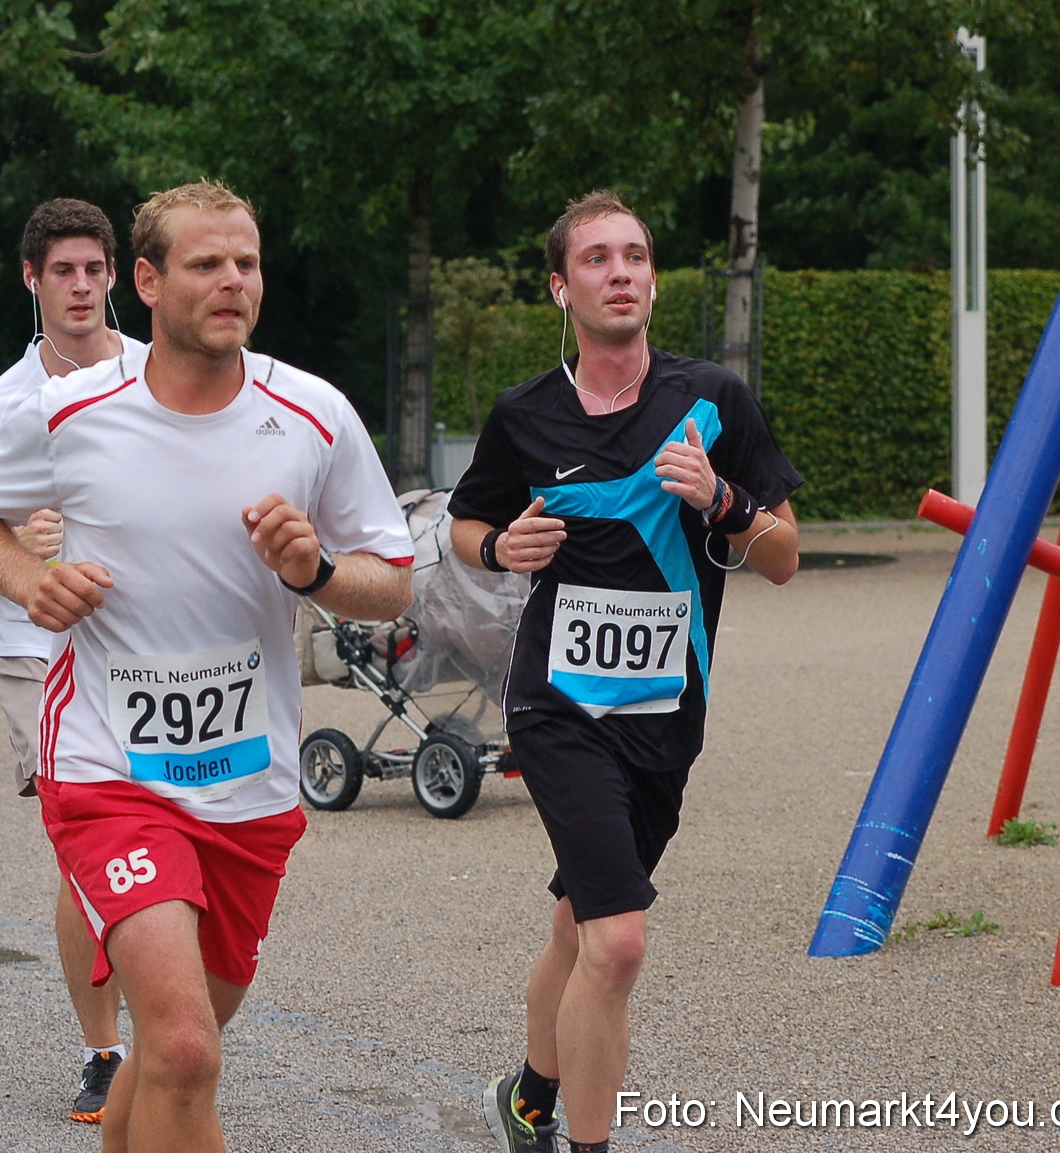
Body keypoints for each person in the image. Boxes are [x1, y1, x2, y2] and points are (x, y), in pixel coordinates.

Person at [0, 179, 414, 1153]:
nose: (232, 281)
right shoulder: (70, 410)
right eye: (206, 263)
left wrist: (315, 567)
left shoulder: (314, 415)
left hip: (251, 782)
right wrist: (31, 582)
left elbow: (394, 581)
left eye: (246, 262)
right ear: (147, 282)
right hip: (112, 769)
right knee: (188, 1051)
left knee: (170, 1056)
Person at [449, 190, 802, 1153]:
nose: (621, 273)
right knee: (619, 938)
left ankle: (526, 1096)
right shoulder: (525, 415)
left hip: (666, 713)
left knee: (578, 924)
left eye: (635, 256)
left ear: (652, 277)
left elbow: (783, 554)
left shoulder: (712, 401)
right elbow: (466, 524)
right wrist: (499, 549)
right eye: (597, 259)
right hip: (557, 708)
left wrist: (724, 498)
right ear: (563, 287)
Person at [0, 198, 146, 1123]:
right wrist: (12, 535)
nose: (83, 286)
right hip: (36, 656)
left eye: (96, 269)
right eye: (64, 270)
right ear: (31, 278)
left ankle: (173, 1020)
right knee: (84, 852)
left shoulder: (158, 374)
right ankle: (104, 1049)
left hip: (151, 651)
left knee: (174, 840)